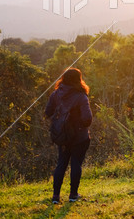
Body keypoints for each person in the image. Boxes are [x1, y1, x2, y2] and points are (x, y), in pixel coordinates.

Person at [45, 68, 92, 204]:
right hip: (79, 136)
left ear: (63, 78)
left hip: (62, 136)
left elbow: (48, 112)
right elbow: (87, 119)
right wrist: (77, 124)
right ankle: (73, 195)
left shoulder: (55, 94)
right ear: (79, 79)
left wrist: (60, 121)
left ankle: (55, 196)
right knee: (76, 163)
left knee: (61, 163)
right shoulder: (81, 96)